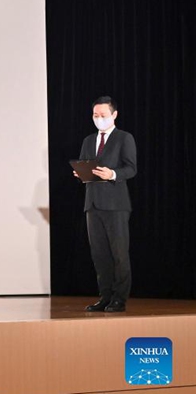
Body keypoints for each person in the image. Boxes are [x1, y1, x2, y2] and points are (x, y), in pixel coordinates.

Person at [74, 96, 137, 312]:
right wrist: (80, 173)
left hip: (116, 204)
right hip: (92, 203)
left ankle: (120, 298)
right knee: (99, 254)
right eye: (95, 115)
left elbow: (131, 168)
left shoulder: (124, 138)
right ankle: (105, 296)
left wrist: (112, 174)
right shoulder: (88, 140)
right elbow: (85, 166)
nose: (99, 119)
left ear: (114, 115)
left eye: (103, 115)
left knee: (119, 253)